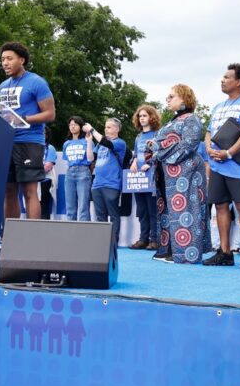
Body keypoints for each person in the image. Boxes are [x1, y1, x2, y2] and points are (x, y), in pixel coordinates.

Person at [203, 63, 240, 270]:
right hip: (217, 166)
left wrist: (229, 152)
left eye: (227, 77)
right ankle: (225, 253)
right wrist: (209, 149)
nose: (222, 80)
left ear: (238, 81)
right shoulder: (218, 107)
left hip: (238, 166)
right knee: (220, 206)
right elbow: (209, 131)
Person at [149, 84, 210, 264]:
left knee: (186, 210)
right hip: (167, 172)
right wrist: (153, 149)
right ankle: (169, 249)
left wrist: (159, 149)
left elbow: (189, 143)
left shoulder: (191, 119)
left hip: (185, 171)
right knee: (169, 210)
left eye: (172, 96)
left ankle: (185, 254)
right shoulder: (172, 122)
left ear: (184, 99)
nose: (167, 100)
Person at [0, 41, 56, 220]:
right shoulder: (3, 86)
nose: (5, 63)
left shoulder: (36, 82)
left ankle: (32, 237)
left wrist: (23, 119)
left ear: (21, 60)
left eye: (10, 58)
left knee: (29, 190)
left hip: (30, 141)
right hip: (8, 142)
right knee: (9, 190)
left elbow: (50, 114)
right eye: (2, 60)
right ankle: (11, 235)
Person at [84, 118, 127, 246]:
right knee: (100, 216)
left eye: (109, 127)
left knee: (113, 214)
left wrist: (92, 129)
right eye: (105, 127)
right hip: (97, 184)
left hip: (112, 184)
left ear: (117, 129)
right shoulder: (99, 144)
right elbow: (90, 158)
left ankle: (113, 242)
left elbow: (104, 141)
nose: (106, 129)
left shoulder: (120, 143)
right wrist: (89, 142)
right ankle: (102, 244)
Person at [129, 105, 162, 250]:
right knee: (141, 210)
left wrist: (150, 163)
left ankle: (154, 240)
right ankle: (143, 239)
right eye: (140, 116)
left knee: (152, 209)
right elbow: (136, 154)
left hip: (152, 176)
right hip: (139, 178)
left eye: (145, 116)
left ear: (151, 117)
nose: (142, 118)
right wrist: (134, 162)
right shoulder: (138, 137)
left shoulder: (157, 134)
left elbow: (160, 153)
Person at [62, 116, 94, 221]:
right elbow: (67, 160)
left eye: (75, 124)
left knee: (83, 205)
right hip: (70, 172)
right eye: (70, 125)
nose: (72, 127)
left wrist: (89, 142)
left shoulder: (86, 141)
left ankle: (85, 233)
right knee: (70, 205)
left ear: (80, 126)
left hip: (83, 171)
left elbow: (90, 159)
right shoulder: (66, 143)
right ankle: (70, 233)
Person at [40, 126, 58, 220]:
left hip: (45, 180)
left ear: (47, 136)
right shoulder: (31, 147)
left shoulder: (50, 148)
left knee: (44, 205)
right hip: (33, 180)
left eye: (44, 133)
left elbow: (48, 166)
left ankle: (43, 229)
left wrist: (34, 172)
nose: (42, 135)